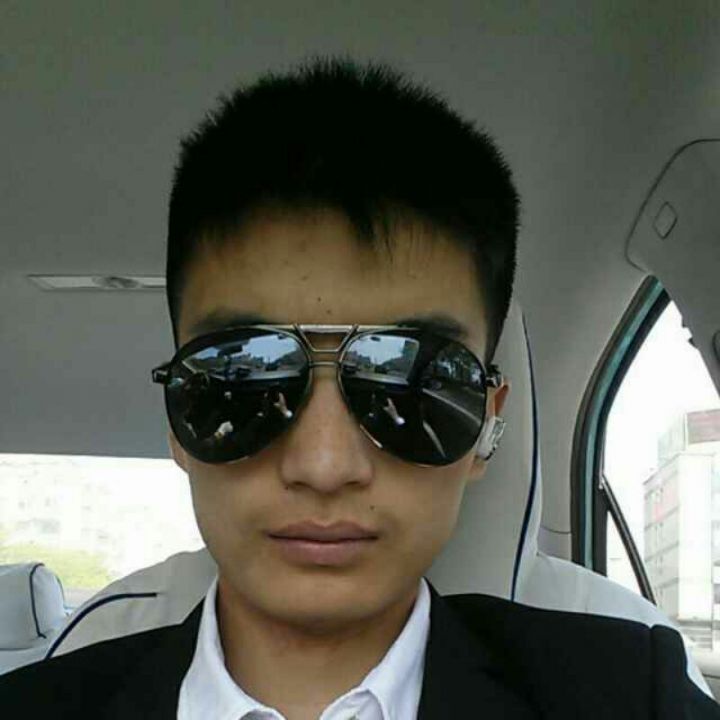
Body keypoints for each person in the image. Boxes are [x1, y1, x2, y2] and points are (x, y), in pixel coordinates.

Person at [1, 54, 718, 719]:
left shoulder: (633, 693)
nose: (324, 466)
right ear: (176, 416)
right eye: (241, 379)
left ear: (484, 424)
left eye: (407, 382)